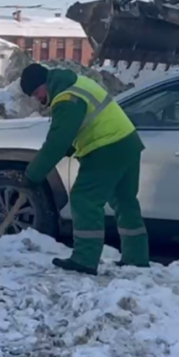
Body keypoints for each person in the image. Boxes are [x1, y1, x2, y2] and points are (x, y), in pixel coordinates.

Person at [20, 63, 150, 276]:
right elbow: (83, 123)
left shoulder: (65, 98)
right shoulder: (77, 83)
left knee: (84, 199)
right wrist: (70, 147)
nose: (38, 98)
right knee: (125, 201)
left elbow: (57, 142)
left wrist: (32, 175)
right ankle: (136, 258)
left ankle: (85, 259)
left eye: (36, 93)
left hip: (106, 148)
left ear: (44, 83)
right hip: (127, 143)